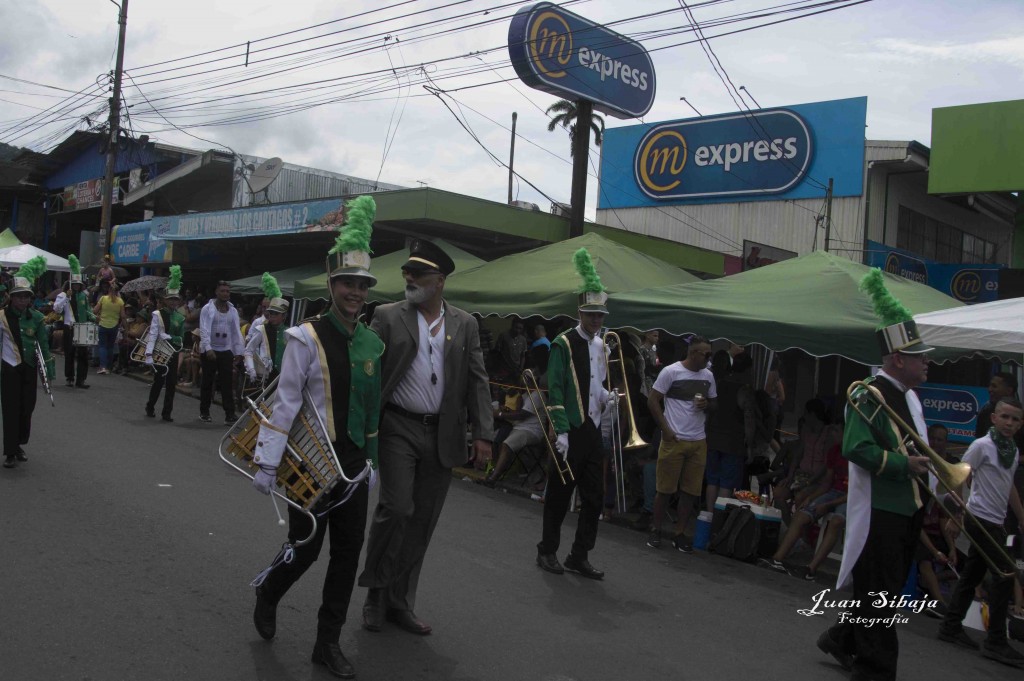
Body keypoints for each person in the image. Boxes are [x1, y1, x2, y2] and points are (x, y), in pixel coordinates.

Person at [249, 196, 384, 680]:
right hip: (309, 461)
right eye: (348, 282)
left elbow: (371, 412)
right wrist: (268, 460)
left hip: (352, 468)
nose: (355, 291)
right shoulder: (305, 337)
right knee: (305, 548)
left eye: (362, 284)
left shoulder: (372, 343)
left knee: (347, 557)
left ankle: (327, 643)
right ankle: (270, 591)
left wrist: (373, 465)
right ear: (332, 285)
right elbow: (285, 401)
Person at [358, 237, 493, 635]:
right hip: (398, 426)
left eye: (418, 274)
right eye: (407, 272)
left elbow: (477, 381)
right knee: (397, 509)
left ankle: (400, 602)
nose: (409, 278)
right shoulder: (386, 315)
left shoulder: (465, 323)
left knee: (423, 522)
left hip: (443, 432)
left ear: (440, 281)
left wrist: (483, 433)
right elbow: (366, 369)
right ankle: (375, 593)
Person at [817, 268, 933, 681]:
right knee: (880, 595)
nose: (927, 362)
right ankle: (875, 669)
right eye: (920, 356)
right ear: (899, 358)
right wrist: (905, 465)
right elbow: (856, 448)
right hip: (881, 509)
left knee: (882, 591)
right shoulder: (868, 393)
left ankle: (843, 638)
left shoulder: (911, 398)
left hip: (907, 508)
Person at [534, 248, 615, 580]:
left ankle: (579, 554)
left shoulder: (601, 345)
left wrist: (609, 397)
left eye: (600, 316)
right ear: (580, 312)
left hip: (593, 427)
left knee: (595, 496)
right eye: (591, 315)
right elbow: (555, 389)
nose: (596, 321)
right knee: (559, 494)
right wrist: (561, 431)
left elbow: (595, 384)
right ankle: (547, 551)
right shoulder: (562, 344)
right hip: (571, 429)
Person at [938, 397, 1024, 667]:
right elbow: (959, 476)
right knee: (1004, 575)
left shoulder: (1012, 450)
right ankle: (996, 641)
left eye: (1015, 419)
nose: (1009, 423)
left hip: (997, 520)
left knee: (973, 573)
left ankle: (950, 627)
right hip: (980, 517)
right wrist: (957, 514)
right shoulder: (981, 445)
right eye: (1005, 417)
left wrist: (1022, 517)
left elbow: (1009, 486)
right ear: (994, 418)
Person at [645, 335, 716, 552]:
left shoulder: (708, 376)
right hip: (674, 438)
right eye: (706, 354)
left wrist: (707, 404)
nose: (709, 359)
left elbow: (715, 403)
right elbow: (652, 400)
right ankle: (656, 529)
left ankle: (680, 532)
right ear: (693, 353)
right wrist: (666, 429)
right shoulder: (671, 372)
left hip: (698, 440)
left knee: (690, 491)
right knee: (665, 489)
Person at [1, 257, 54, 468]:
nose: (23, 301)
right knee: (10, 409)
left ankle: (20, 444)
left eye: (26, 297)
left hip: (30, 368)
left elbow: (44, 345)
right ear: (12, 298)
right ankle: (10, 452)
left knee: (27, 409)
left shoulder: (37, 318)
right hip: (9, 368)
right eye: (19, 297)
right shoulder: (2, 317)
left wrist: (49, 371)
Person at [705, 349, 756, 510]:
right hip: (732, 443)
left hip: (713, 438)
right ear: (748, 369)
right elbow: (749, 420)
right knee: (726, 483)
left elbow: (710, 412)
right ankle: (718, 520)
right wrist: (750, 446)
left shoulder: (719, 383)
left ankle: (709, 513)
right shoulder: (744, 390)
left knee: (712, 481)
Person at [198, 280, 244, 424]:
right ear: (216, 292)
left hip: (226, 350)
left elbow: (236, 332)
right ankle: (204, 412)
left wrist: (238, 351)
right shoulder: (207, 309)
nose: (225, 294)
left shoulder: (233, 311)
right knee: (207, 381)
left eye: (227, 291)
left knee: (227, 383)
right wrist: (208, 348)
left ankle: (229, 414)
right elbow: (204, 329)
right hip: (210, 349)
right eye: (222, 291)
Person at [144, 266, 185, 423]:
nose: (173, 302)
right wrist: (148, 353)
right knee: (159, 380)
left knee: (171, 383)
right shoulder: (158, 314)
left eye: (176, 299)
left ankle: (167, 412)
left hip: (173, 352)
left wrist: (172, 338)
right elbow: (153, 333)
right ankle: (150, 406)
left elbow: (181, 339)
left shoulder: (180, 318)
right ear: (165, 300)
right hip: (160, 350)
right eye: (171, 299)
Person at [53, 254, 94, 389]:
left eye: (78, 284)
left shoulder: (84, 295)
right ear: (70, 284)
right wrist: (67, 298)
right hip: (69, 327)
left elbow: (87, 310)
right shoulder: (63, 295)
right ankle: (69, 377)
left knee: (83, 354)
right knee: (69, 353)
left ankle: (81, 380)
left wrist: (94, 318)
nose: (76, 286)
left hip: (82, 327)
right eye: (74, 284)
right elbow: (57, 310)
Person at [243, 273, 289, 392]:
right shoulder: (261, 329)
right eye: (271, 312)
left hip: (282, 378)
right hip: (263, 377)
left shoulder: (289, 332)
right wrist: (251, 370)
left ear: (284, 316)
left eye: (275, 313)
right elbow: (248, 350)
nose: (271, 316)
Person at [975, 372, 1024, 451]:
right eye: (1004, 417)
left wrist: (1011, 458)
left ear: (1009, 390)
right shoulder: (985, 412)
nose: (990, 389)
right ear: (993, 417)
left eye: (994, 386)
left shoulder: (1021, 415)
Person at [92, 281, 125, 375]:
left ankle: (102, 367)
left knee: (102, 346)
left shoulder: (103, 298)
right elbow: (123, 316)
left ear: (109, 290)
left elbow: (94, 311)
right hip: (114, 326)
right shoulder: (120, 301)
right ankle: (109, 367)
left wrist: (99, 314)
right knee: (110, 346)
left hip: (103, 324)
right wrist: (125, 328)